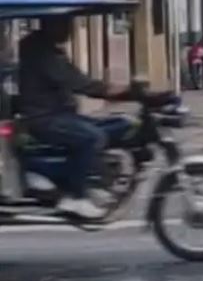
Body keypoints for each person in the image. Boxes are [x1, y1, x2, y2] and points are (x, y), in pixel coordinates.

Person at [15, 16, 137, 220]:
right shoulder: (43, 53)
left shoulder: (48, 49)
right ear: (52, 24)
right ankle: (76, 196)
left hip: (57, 114)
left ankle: (94, 181)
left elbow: (73, 78)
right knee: (92, 137)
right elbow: (77, 82)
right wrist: (115, 90)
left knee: (110, 126)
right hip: (45, 118)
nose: (69, 31)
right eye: (65, 24)